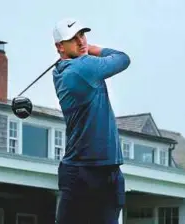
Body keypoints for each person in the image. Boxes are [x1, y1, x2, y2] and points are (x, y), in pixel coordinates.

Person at [52, 18, 131, 224]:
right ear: (60, 46)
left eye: (82, 36)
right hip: (87, 172)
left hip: (94, 169)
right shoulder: (83, 68)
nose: (81, 42)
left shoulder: (60, 71)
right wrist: (94, 49)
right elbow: (123, 58)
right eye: (73, 39)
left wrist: (81, 51)